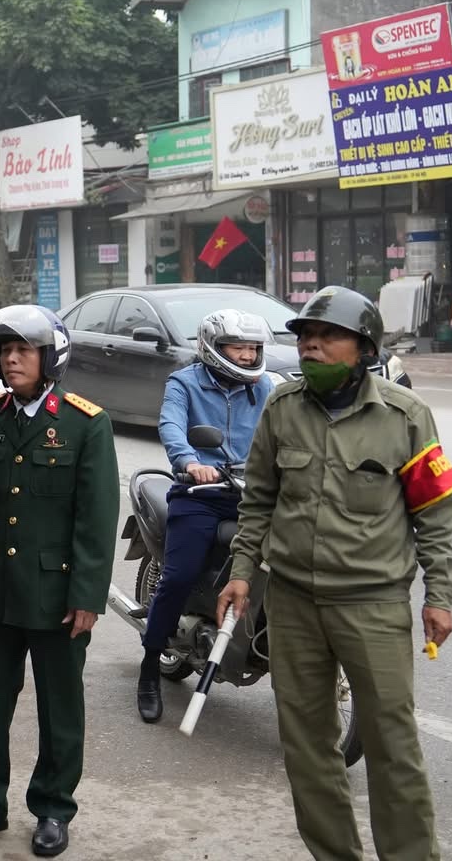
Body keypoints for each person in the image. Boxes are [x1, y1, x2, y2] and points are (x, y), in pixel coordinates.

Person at [216, 285, 452, 861]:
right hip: (294, 604)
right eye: (304, 337)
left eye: (328, 337)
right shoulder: (281, 410)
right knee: (306, 746)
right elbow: (258, 502)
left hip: (371, 607)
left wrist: (440, 594)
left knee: (392, 745)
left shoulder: (406, 416)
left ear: (365, 348)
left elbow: (436, 515)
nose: (312, 347)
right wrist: (243, 571)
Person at [0, 305, 118, 858]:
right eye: (4, 350)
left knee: (59, 706)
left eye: (23, 350)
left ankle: (53, 809)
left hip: (58, 594)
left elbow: (97, 518)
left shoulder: (85, 423)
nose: (11, 358)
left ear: (50, 357)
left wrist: (88, 595)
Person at [136, 310, 272, 724]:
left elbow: (286, 430)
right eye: (240, 348)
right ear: (215, 348)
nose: (248, 356)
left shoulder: (265, 387)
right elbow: (171, 426)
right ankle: (148, 674)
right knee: (178, 575)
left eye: (253, 349)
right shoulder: (185, 383)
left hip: (252, 495)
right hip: (202, 493)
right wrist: (190, 461)